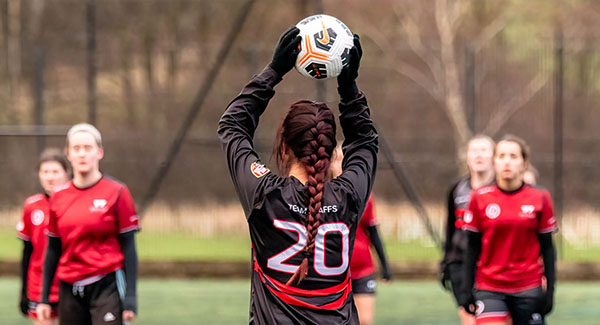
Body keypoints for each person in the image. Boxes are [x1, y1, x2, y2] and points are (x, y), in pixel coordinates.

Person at [217, 26, 377, 324]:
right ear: (331, 152)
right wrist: (348, 85)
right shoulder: (349, 195)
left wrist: (274, 71)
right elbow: (365, 142)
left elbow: (232, 127)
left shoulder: (265, 194)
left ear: (284, 147)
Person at [36, 123, 140, 325]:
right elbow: (53, 250)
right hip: (69, 288)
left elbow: (129, 247)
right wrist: (44, 298)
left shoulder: (117, 192)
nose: (82, 154)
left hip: (106, 285)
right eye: (76, 149)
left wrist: (131, 298)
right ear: (68, 154)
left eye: (87, 148)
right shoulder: (58, 197)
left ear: (99, 152)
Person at [460, 135, 557, 325]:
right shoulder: (479, 198)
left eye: (513, 156)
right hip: (489, 286)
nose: (507, 162)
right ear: (494, 161)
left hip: (528, 286)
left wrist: (551, 291)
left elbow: (548, 249)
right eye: (502, 156)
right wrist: (466, 289)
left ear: (524, 163)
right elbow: (471, 248)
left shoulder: (540, 198)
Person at [330, 146, 391, 325]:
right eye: (337, 159)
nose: (340, 164)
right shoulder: (321, 195)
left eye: (345, 159)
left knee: (364, 320)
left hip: (362, 269)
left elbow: (374, 234)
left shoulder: (363, 196)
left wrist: (385, 266)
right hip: (333, 272)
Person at [440, 135, 495, 325]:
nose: (479, 155)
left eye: (484, 150)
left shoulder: (500, 188)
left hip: (492, 264)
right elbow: (449, 227)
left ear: (494, 156)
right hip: (461, 264)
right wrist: (446, 262)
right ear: (467, 157)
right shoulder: (457, 189)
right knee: (470, 319)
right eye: (474, 150)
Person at [17, 148, 70, 325]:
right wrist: (23, 291)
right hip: (38, 286)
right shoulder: (32, 205)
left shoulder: (73, 202)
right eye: (45, 172)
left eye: (55, 171)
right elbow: (27, 252)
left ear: (66, 173)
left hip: (68, 282)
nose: (50, 177)